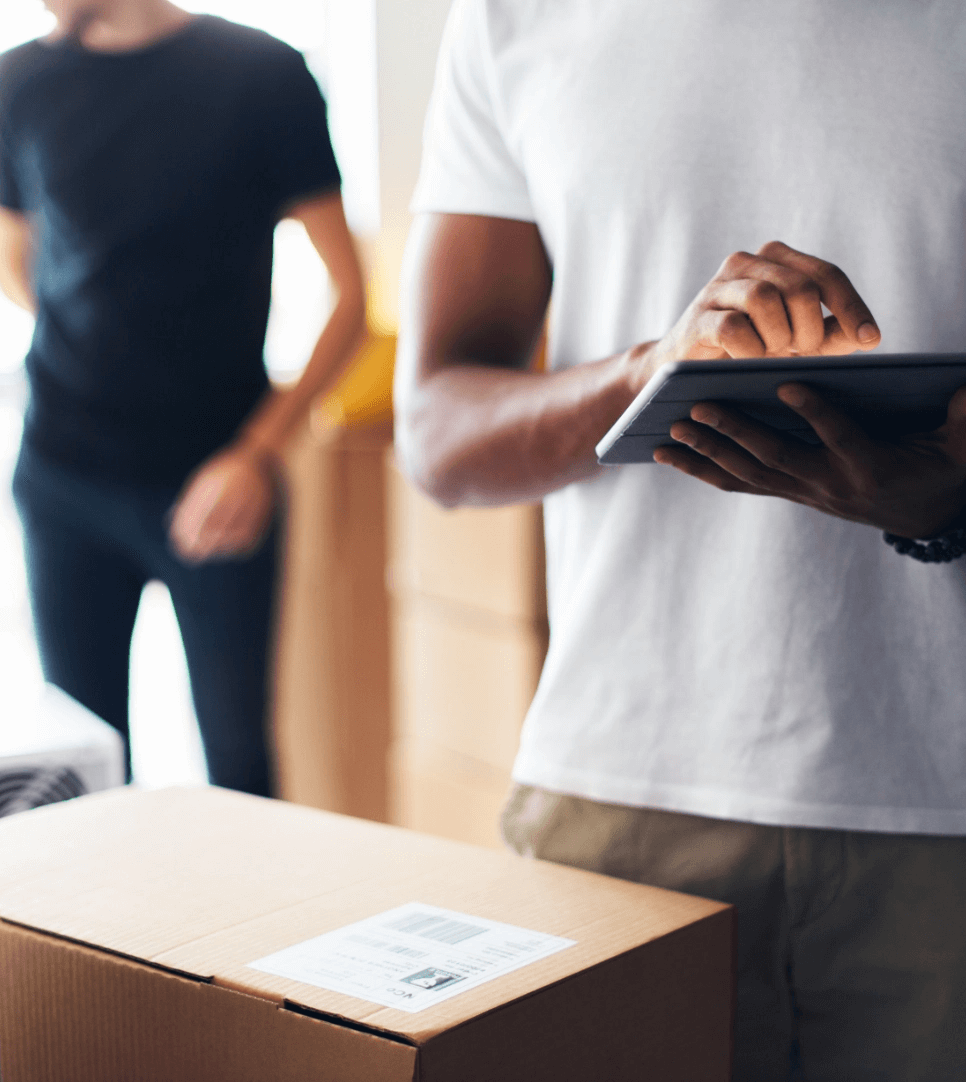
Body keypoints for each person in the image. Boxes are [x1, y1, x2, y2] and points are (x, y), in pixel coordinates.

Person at [394, 2, 966, 1078]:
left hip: (947, 805)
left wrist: (945, 506)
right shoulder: (513, 22)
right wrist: (646, 372)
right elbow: (436, 432)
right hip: (620, 795)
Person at [0, 0, 366, 795]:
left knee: (238, 766)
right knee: (81, 775)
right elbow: (15, 258)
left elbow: (349, 299)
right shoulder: (17, 81)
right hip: (64, 475)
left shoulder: (261, 72)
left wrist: (256, 456)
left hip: (219, 472)